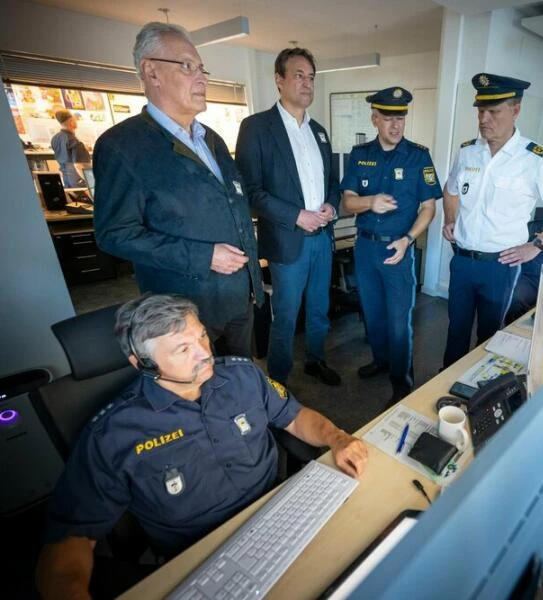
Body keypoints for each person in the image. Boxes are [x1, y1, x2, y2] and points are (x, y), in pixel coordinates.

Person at [35, 294, 368, 600]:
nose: (205, 353)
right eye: (183, 349)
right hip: (203, 554)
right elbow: (71, 539)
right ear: (143, 364)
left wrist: (337, 438)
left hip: (280, 508)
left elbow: (293, 416)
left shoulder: (242, 374)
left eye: (202, 336)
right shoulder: (113, 434)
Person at [92, 22, 263, 358]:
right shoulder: (122, 146)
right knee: (199, 397)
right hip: (184, 312)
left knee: (243, 385)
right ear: (151, 72)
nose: (202, 78)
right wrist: (204, 256)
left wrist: (254, 285)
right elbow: (114, 234)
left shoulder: (210, 138)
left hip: (239, 299)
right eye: (187, 66)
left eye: (202, 68)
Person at [442, 73, 543, 368]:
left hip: (500, 265)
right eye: (481, 111)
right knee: (455, 330)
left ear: (516, 109)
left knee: (490, 334)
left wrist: (537, 245)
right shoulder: (468, 151)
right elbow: (451, 189)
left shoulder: (537, 159)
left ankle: (478, 388)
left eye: (494, 111)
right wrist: (450, 218)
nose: (484, 119)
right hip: (463, 260)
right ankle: (445, 387)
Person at [236, 48, 341, 387]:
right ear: (279, 80)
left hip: (322, 239)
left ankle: (316, 359)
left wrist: (331, 205)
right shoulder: (256, 128)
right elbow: (250, 191)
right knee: (286, 314)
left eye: (311, 77)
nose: (307, 83)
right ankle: (278, 380)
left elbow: (334, 183)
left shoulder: (319, 131)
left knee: (319, 309)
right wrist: (296, 216)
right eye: (299, 75)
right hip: (287, 241)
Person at [340, 87, 441, 404]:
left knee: (399, 320)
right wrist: (370, 202)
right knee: (374, 314)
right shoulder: (360, 155)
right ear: (374, 119)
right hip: (366, 249)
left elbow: (429, 208)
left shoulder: (418, 156)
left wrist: (408, 239)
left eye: (401, 118)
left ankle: (401, 380)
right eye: (388, 118)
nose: (396, 125)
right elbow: (347, 203)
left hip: (398, 249)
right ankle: (381, 361)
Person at [50, 109, 91, 187]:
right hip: (79, 182)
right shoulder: (75, 142)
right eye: (75, 119)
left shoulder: (55, 139)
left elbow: (64, 157)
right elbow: (79, 166)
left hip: (66, 181)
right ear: (72, 122)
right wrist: (92, 182)